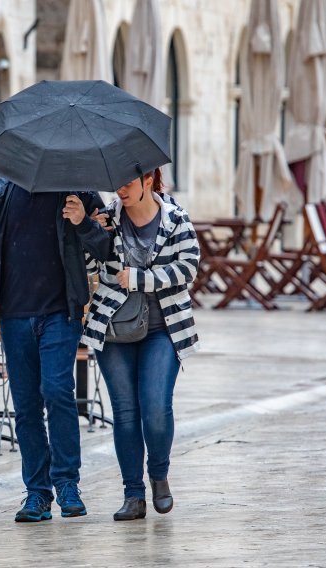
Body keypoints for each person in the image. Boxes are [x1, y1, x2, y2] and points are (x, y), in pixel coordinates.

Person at [62, 168, 200, 521]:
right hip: (114, 327)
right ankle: (133, 494)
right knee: (124, 414)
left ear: (149, 181)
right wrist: (87, 228)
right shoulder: (108, 218)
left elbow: (188, 269)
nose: (120, 190)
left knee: (155, 407)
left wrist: (141, 278)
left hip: (164, 328)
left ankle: (159, 474)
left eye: (128, 183)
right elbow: (91, 265)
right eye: (117, 183)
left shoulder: (176, 219)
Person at [0, 177, 104, 523]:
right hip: (14, 315)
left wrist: (82, 221)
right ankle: (37, 493)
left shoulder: (78, 190)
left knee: (58, 392)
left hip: (61, 312)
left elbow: (106, 248)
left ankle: (68, 484)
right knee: (26, 405)